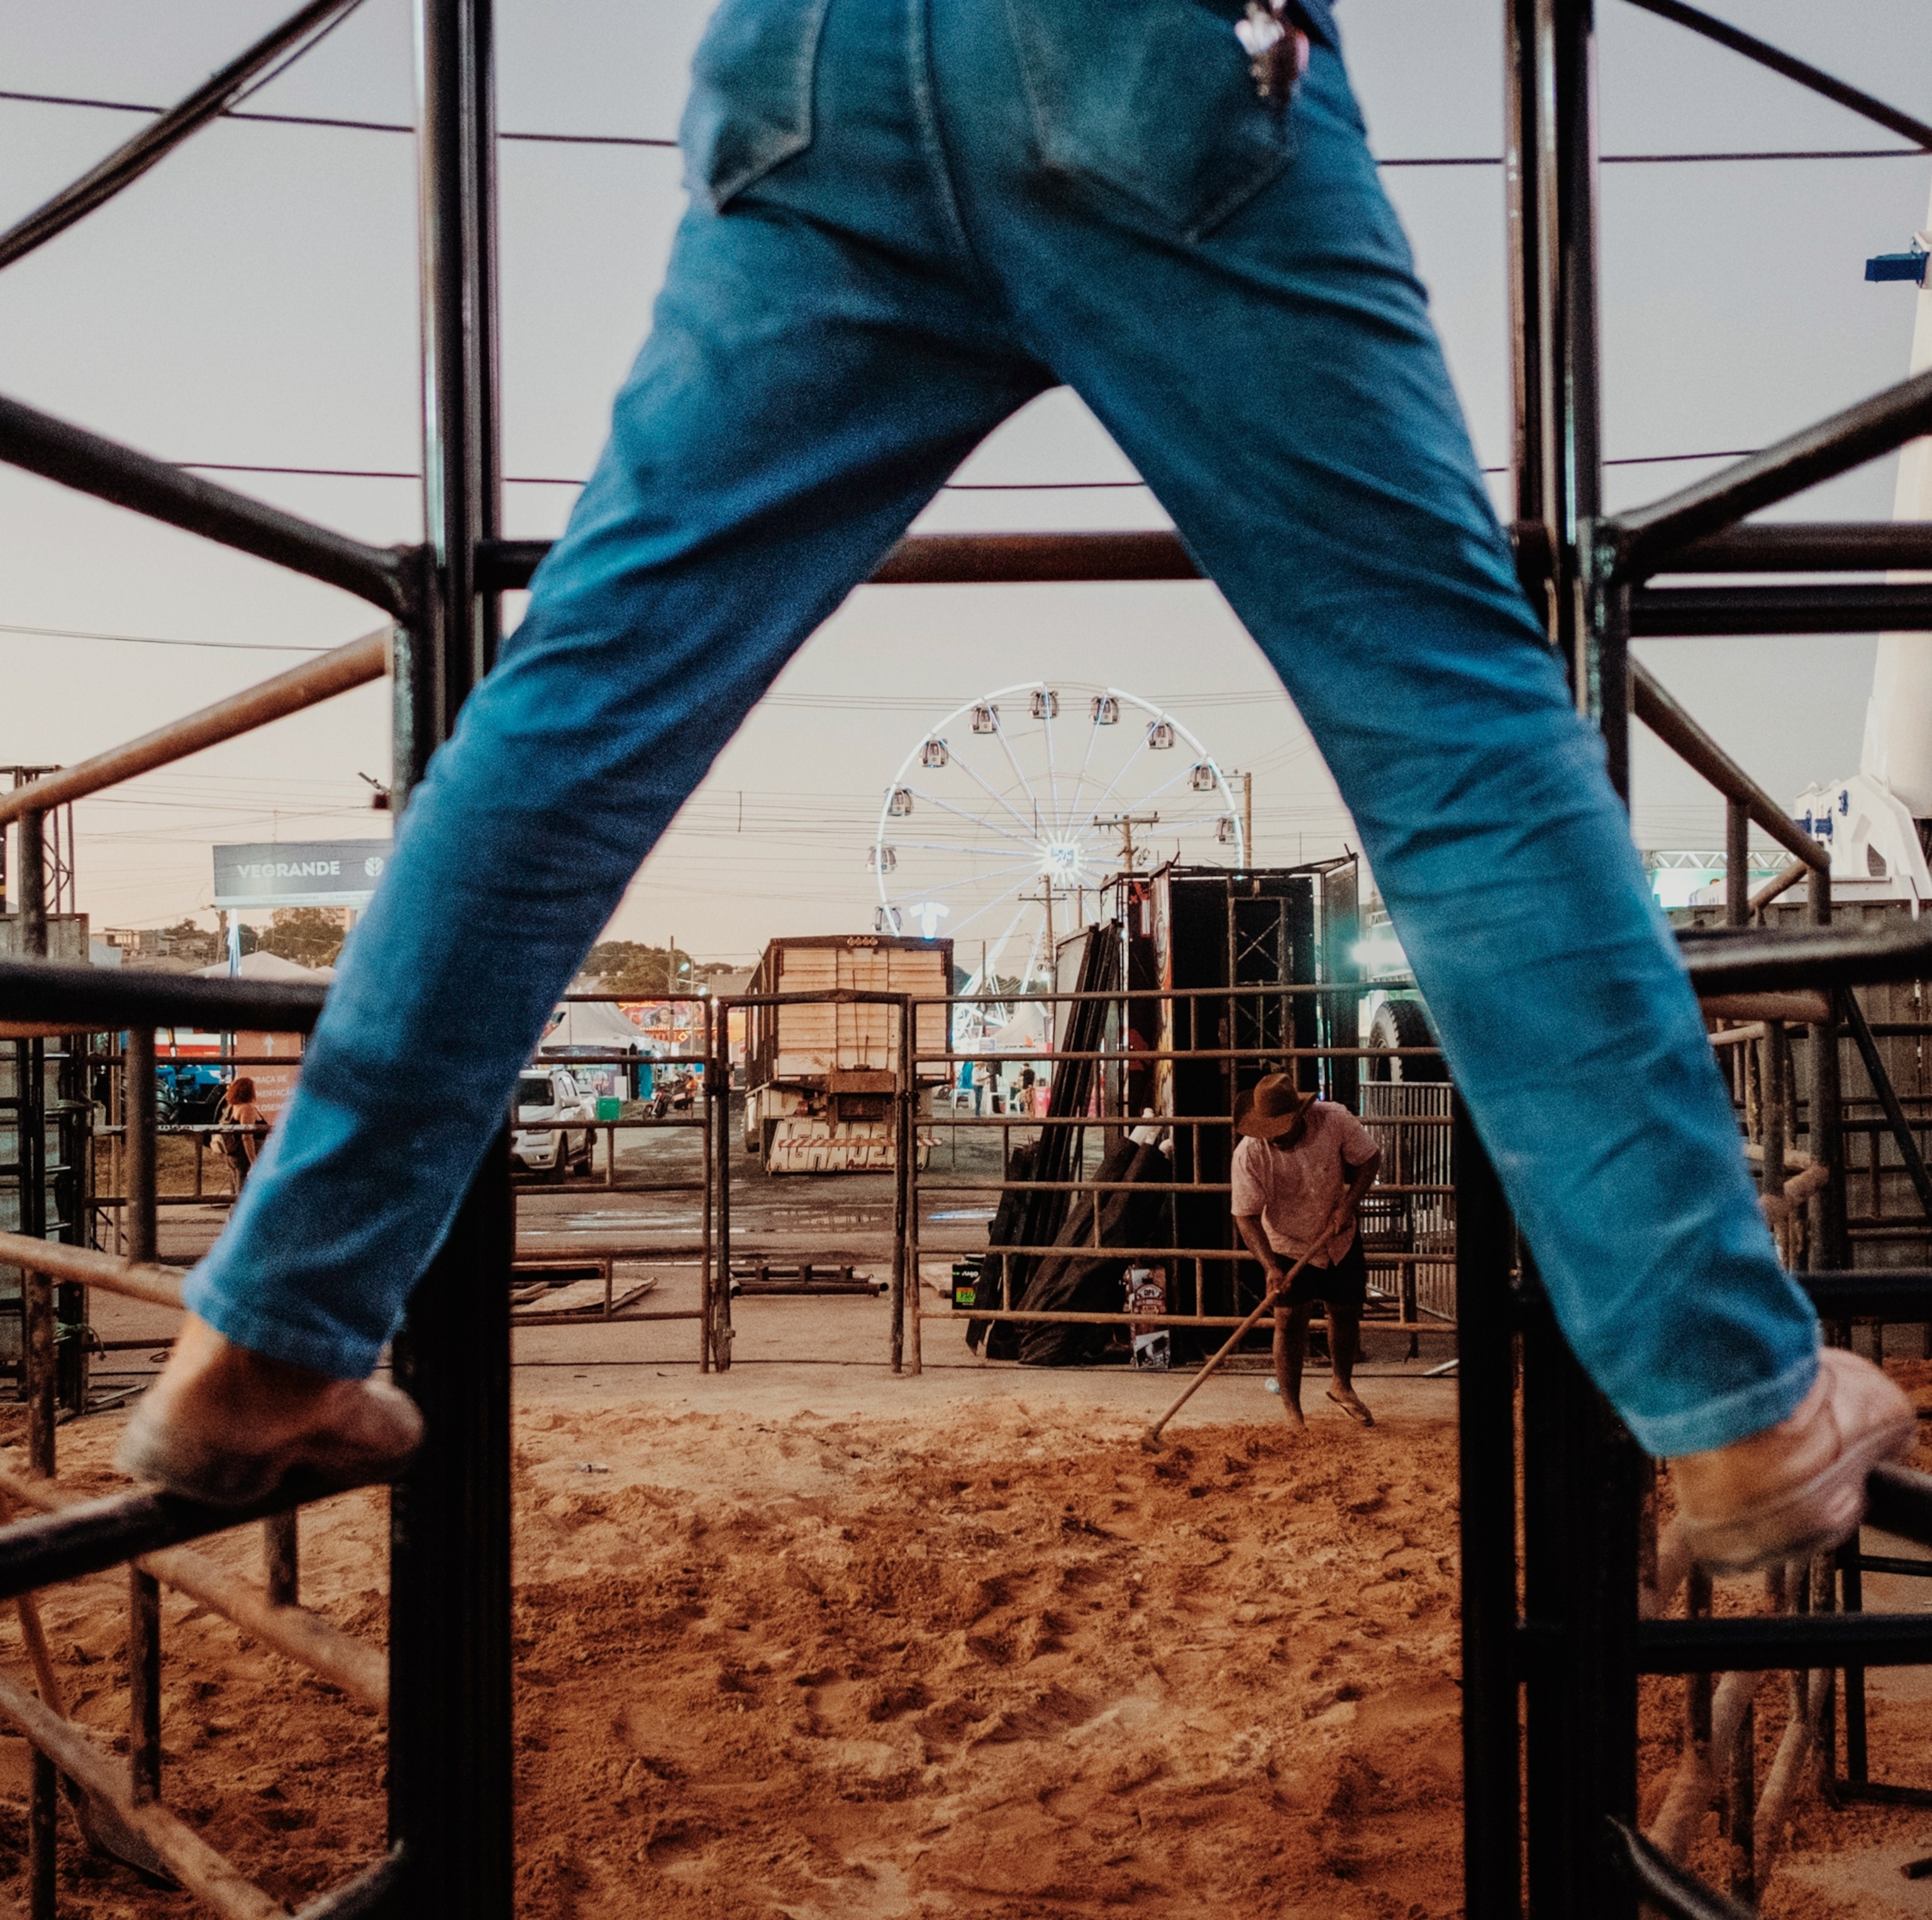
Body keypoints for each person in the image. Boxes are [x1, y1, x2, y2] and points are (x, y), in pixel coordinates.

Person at [119, 0, 1914, 1567]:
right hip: (1146, 53)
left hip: (807, 62)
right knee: (1451, 729)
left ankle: (273, 1325)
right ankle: (1722, 1384)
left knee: (569, 720)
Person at [1232, 1074, 1382, 1429]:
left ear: (1299, 1116)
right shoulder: (1250, 1153)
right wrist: (1270, 1266)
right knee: (1289, 1322)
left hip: (1337, 1236)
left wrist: (1348, 1204)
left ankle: (1342, 1386)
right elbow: (1246, 1217)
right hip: (1285, 1242)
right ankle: (1293, 1410)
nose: (1275, 1137)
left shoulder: (1334, 1119)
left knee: (1346, 1311)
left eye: (1282, 1128)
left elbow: (1370, 1159)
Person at [214, 1078, 270, 1194]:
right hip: (244, 1156)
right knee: (244, 1192)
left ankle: (234, 1211)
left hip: (234, 1154)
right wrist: (253, 1161)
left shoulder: (234, 1107)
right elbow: (247, 1136)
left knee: (236, 1191)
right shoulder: (247, 1109)